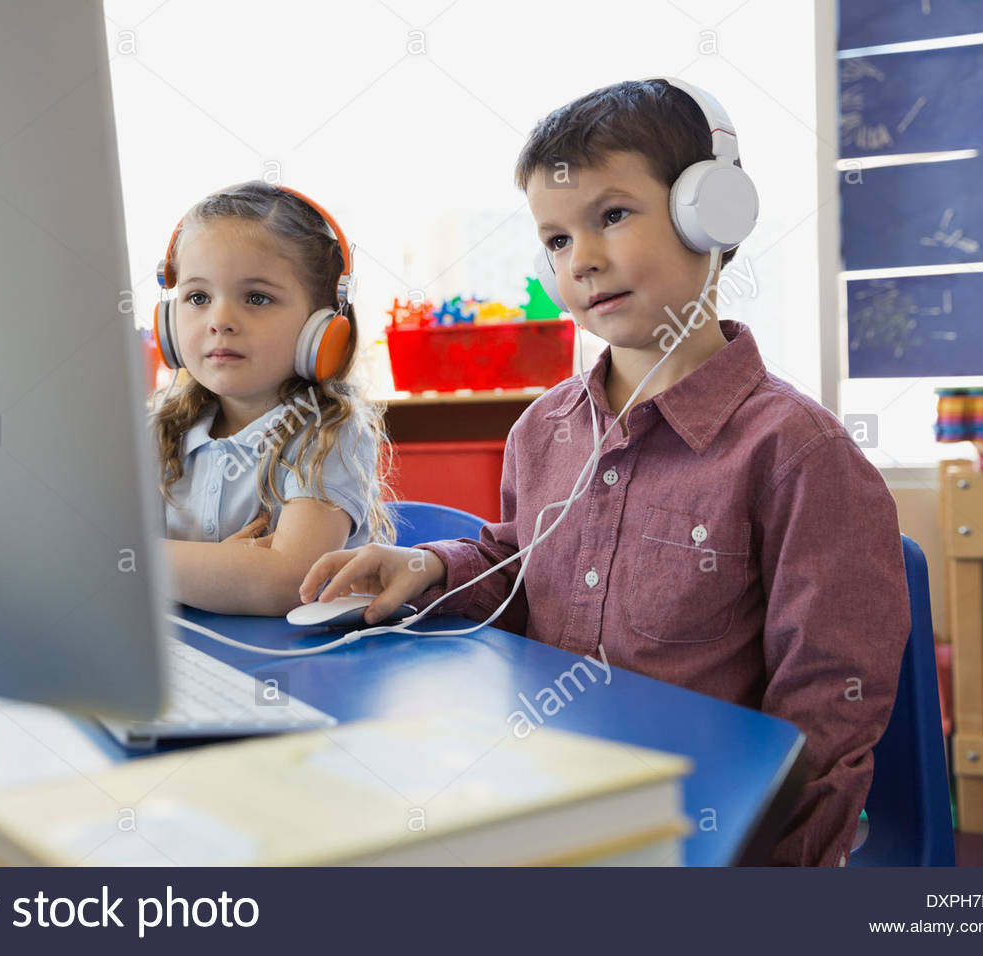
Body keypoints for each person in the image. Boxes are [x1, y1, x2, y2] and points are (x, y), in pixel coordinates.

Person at [298, 80, 909, 866]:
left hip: (699, 837)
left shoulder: (800, 455)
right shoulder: (541, 432)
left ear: (710, 213)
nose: (581, 258)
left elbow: (827, 718)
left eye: (612, 217)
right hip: (547, 798)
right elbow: (517, 567)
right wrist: (425, 567)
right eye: (555, 240)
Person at [152, 181, 393, 616]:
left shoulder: (328, 430)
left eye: (257, 298)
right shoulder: (158, 431)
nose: (220, 320)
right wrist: (226, 569)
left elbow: (289, 581)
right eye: (198, 297)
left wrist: (141, 561)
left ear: (323, 326)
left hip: (309, 671)